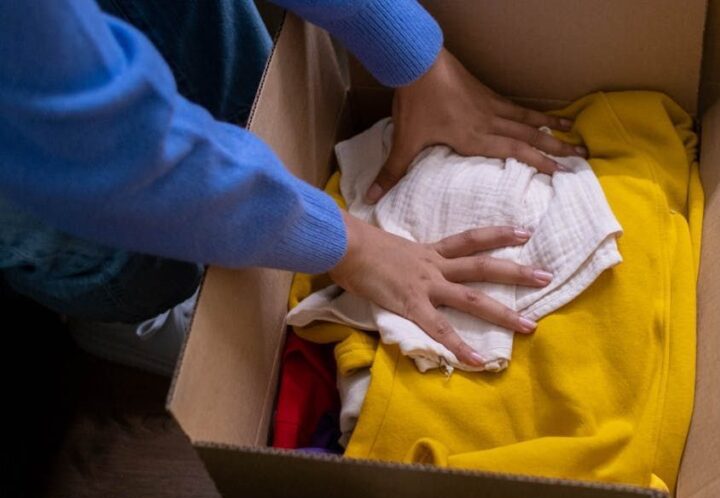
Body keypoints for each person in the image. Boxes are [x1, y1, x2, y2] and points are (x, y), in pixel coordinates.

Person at [0, 1, 588, 371]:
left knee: (237, 86)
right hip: (49, 162)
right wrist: (350, 246)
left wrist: (411, 53)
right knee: (128, 260)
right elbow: (101, 151)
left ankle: (253, 204)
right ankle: (128, 312)